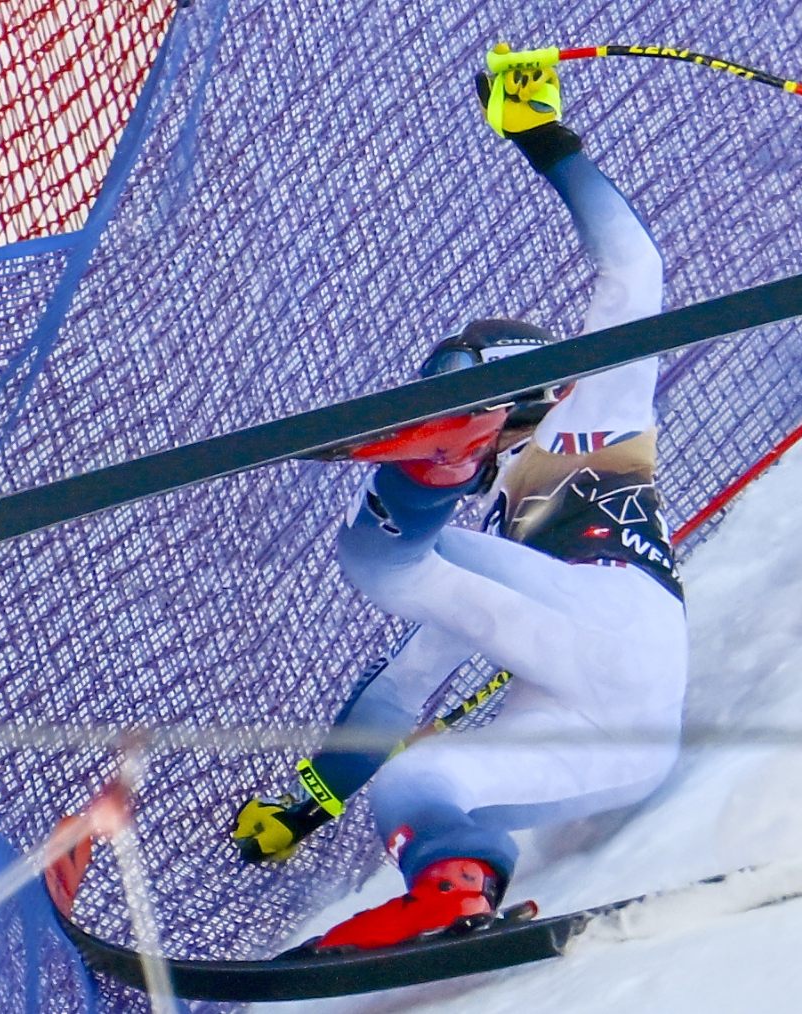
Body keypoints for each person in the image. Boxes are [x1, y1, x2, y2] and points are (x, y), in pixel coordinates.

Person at [233, 44, 687, 950]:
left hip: (622, 618)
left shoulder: (598, 400)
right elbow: (399, 692)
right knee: (418, 787)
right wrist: (308, 807)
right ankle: (452, 895)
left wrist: (542, 136)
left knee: (394, 560)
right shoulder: (498, 543)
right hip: (620, 746)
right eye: (449, 420)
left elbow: (635, 269)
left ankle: (429, 467)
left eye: (465, 411)